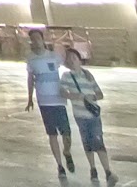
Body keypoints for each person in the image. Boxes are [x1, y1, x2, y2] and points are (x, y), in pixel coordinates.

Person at [60, 48, 116, 185]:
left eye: (74, 57)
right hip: (80, 116)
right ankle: (93, 169)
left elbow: (100, 94)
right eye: (69, 58)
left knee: (99, 142)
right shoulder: (67, 76)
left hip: (93, 115)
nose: (72, 60)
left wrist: (92, 96)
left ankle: (108, 172)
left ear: (80, 60)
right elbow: (62, 92)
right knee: (87, 143)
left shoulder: (88, 75)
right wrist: (74, 96)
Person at [25, 29, 74, 177]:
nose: (36, 41)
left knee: (67, 134)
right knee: (52, 134)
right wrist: (30, 98)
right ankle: (60, 166)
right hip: (44, 102)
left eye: (38, 38)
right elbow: (30, 79)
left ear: (42, 39)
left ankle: (66, 152)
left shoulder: (54, 57)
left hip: (58, 100)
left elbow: (69, 68)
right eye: (33, 39)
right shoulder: (31, 59)